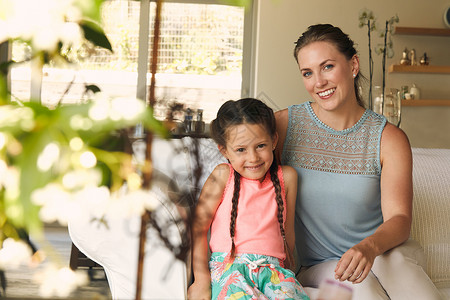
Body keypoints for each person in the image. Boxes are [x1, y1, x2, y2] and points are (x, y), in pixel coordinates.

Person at [274, 24, 441, 299]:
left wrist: (369, 247)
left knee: (397, 264)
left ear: (353, 65)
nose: (318, 82)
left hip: (383, 252)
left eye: (327, 66)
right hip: (320, 265)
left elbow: (399, 218)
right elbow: (240, 163)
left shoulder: (389, 138)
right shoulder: (283, 127)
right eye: (308, 72)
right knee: (358, 286)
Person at [188, 98, 310, 300]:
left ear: (274, 140)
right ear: (224, 150)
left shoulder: (287, 177)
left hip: (274, 272)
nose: (253, 158)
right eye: (241, 150)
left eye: (260, 145)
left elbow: (287, 233)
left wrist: (289, 273)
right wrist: (200, 280)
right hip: (230, 271)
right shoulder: (222, 175)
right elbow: (197, 227)